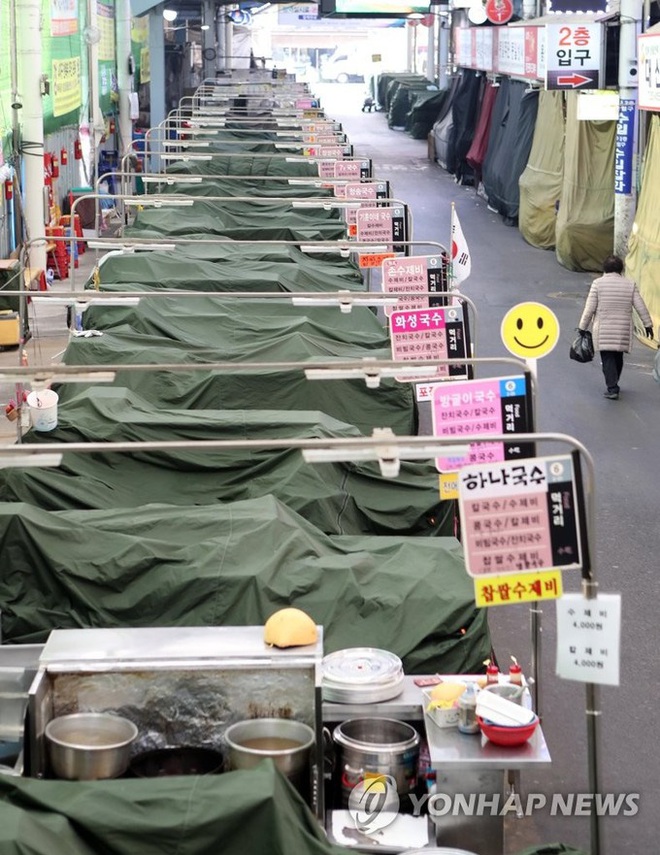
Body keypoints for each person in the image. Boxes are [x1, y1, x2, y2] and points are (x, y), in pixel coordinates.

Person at [578, 255, 653, 400]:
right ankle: (614, 381)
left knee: (607, 358)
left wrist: (582, 327)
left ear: (604, 268)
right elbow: (640, 305)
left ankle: (612, 387)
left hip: (604, 328)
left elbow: (589, 308)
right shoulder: (630, 284)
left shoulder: (597, 284)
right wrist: (648, 324)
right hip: (622, 329)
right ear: (621, 269)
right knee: (618, 356)